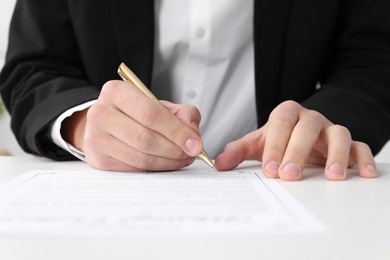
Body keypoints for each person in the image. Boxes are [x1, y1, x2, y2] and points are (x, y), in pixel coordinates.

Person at [1, 0, 390, 181]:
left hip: (287, 186)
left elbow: (373, 62)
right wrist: (85, 123)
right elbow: (32, 66)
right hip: (111, 201)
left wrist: (320, 125)